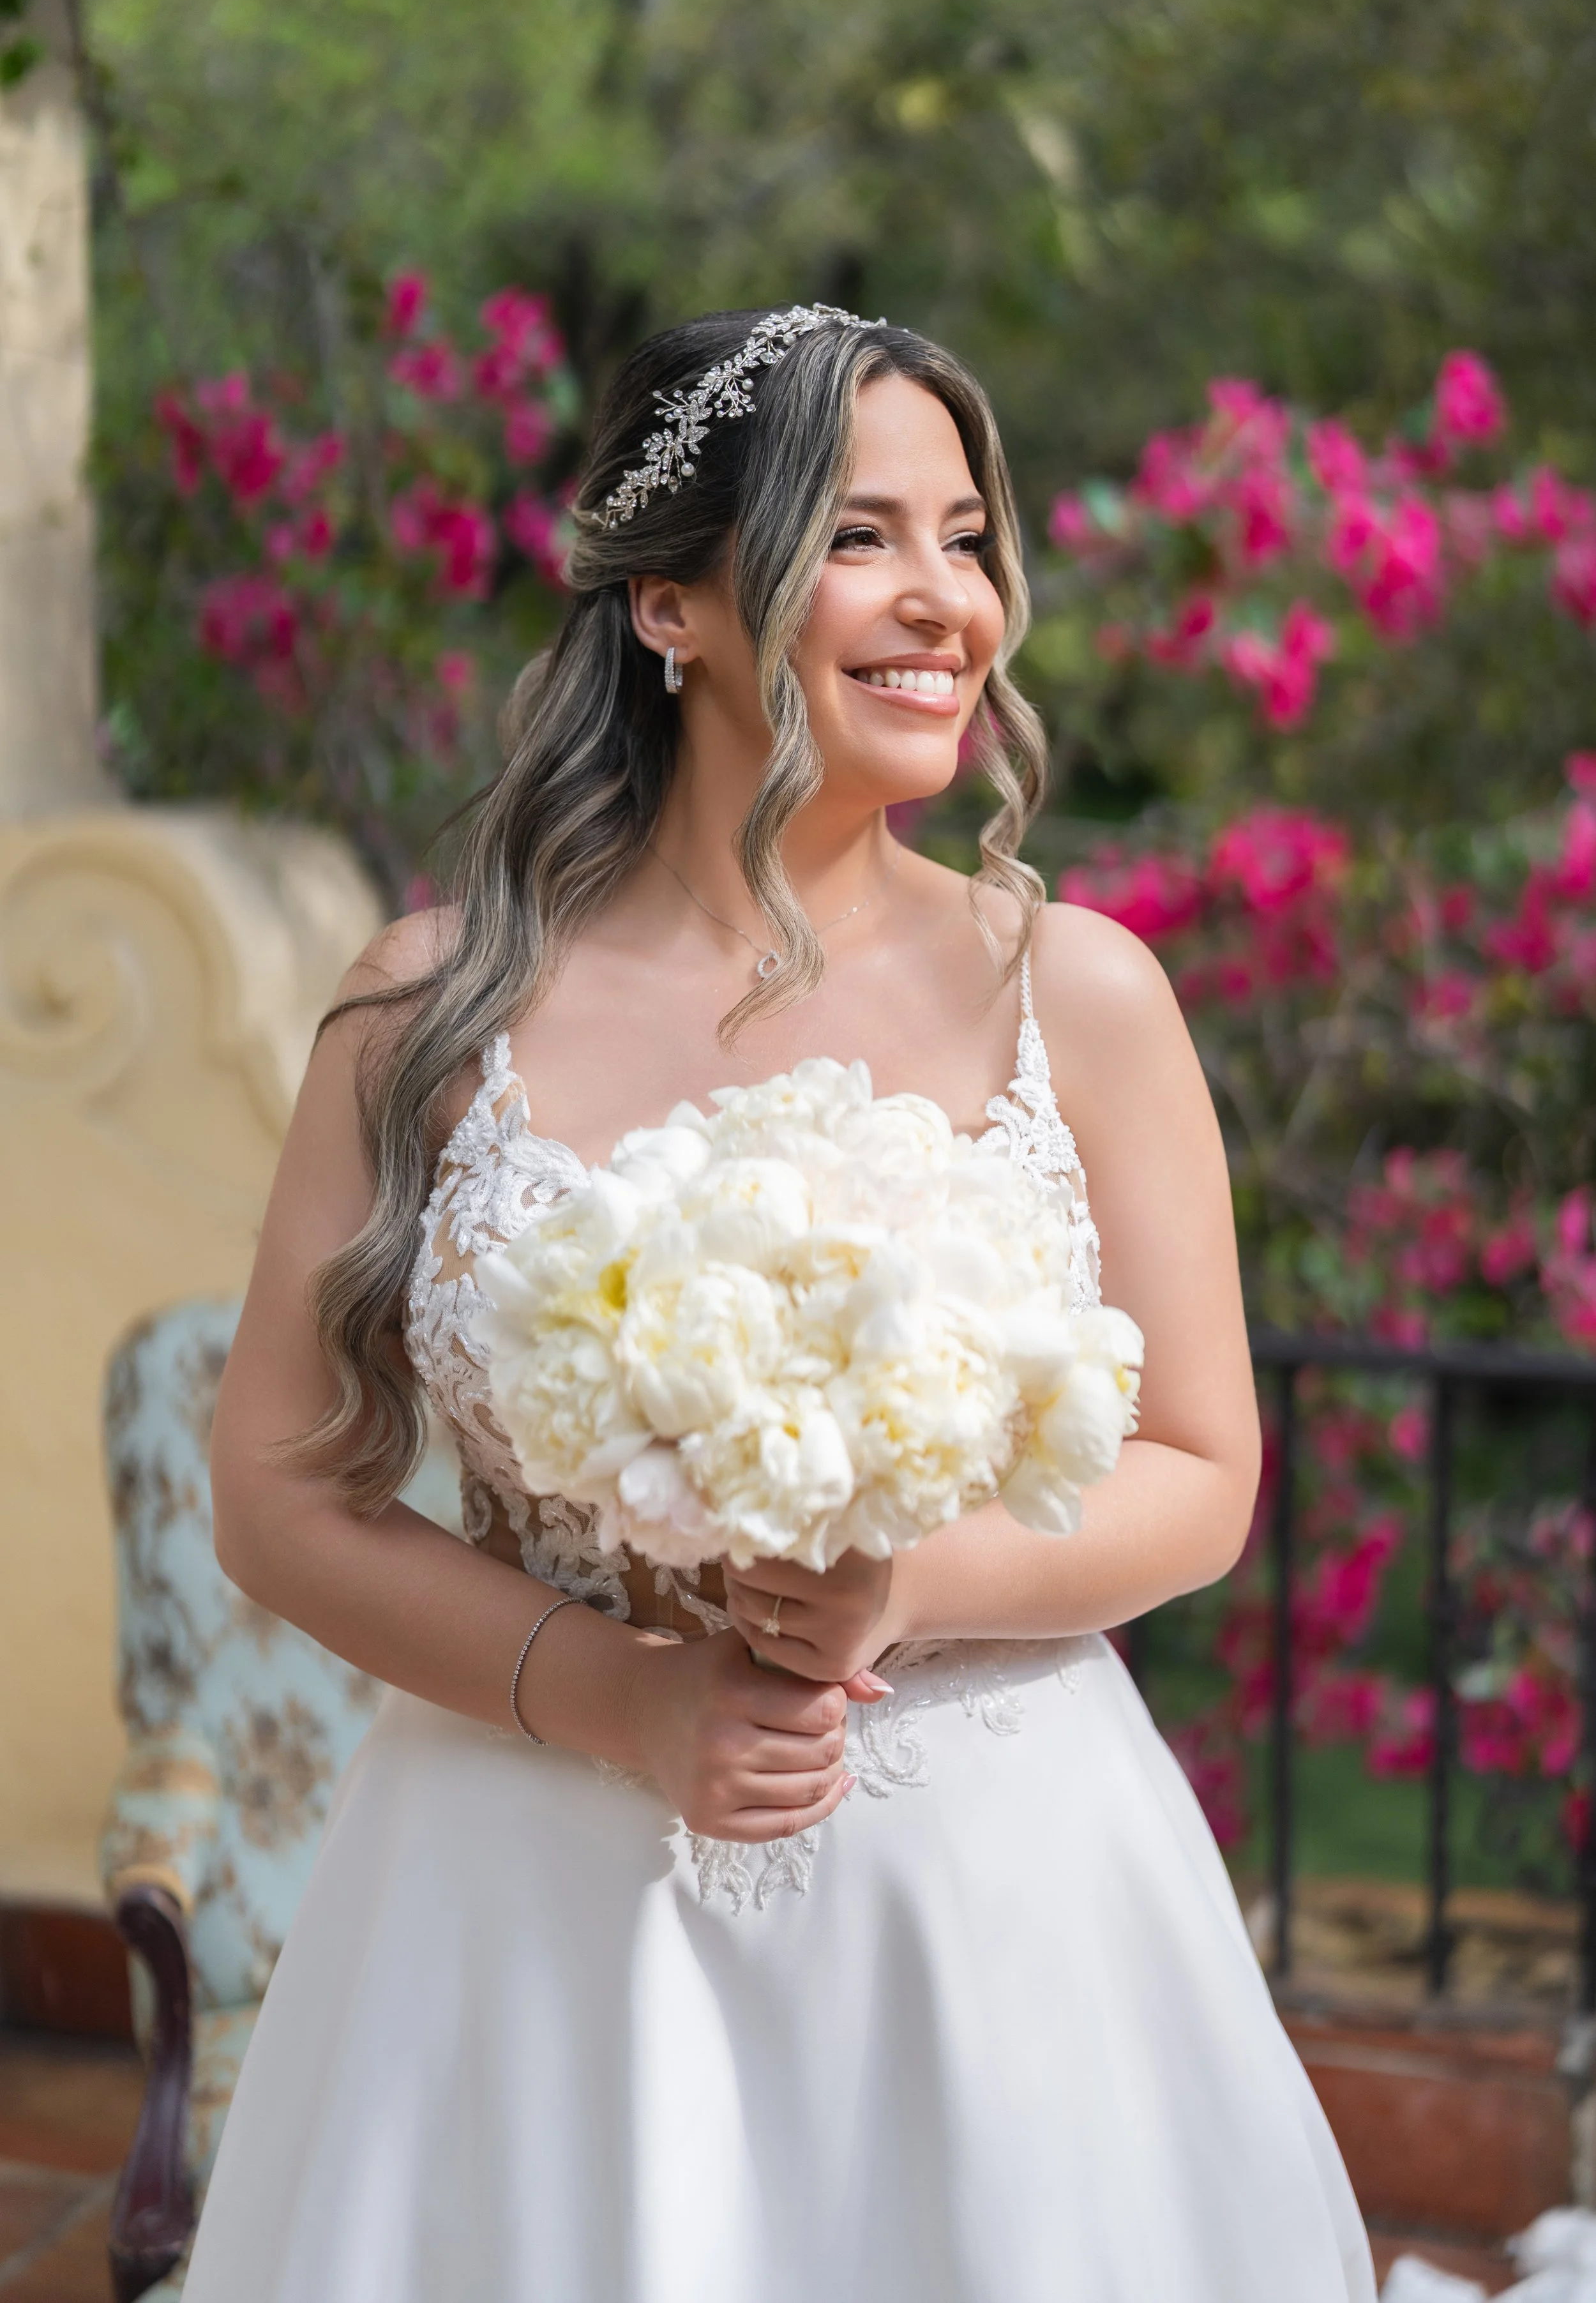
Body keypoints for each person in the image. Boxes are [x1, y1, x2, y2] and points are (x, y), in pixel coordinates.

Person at [188, 305, 1376, 2301]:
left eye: (969, 536)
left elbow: (1199, 1466)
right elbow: (275, 1495)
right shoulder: (426, 1009)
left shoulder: (1071, 992)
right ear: (670, 600)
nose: (945, 604)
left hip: (993, 1920)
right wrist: (622, 1695)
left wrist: (907, 1581)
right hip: (527, 1919)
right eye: (860, 535)